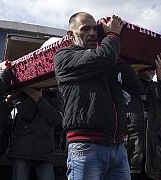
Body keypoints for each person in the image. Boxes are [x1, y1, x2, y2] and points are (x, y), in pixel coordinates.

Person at [53, 12, 144, 180]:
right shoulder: (64, 56)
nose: (93, 33)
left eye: (95, 29)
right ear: (70, 35)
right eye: (85, 29)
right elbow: (104, 57)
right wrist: (113, 35)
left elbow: (136, 86)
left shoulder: (106, 59)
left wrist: (118, 56)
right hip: (86, 145)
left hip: (117, 147)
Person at [126, 54, 161, 180]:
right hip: (127, 157)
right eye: (148, 65)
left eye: (154, 65)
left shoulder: (159, 88)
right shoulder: (124, 85)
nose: (152, 68)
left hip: (153, 162)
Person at [7, 87, 63, 180]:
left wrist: (38, 99)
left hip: (44, 146)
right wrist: (29, 93)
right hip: (23, 146)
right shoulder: (22, 94)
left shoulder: (54, 94)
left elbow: (56, 119)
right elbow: (27, 114)